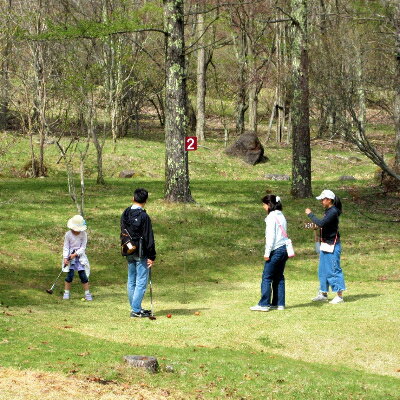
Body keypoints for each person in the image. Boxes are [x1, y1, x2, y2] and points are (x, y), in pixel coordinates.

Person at [305, 189, 346, 304]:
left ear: (329, 200)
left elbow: (322, 223)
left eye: (323, 199)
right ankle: (323, 293)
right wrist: (319, 236)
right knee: (322, 270)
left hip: (333, 245)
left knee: (333, 269)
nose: (321, 201)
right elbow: (325, 226)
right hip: (325, 243)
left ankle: (339, 296)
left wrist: (310, 214)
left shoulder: (333, 211)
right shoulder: (328, 211)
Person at [121, 188, 156, 318]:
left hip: (128, 249)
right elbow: (148, 237)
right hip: (141, 252)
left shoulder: (126, 213)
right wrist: (152, 256)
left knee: (131, 280)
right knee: (141, 281)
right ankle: (135, 310)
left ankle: (136, 307)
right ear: (145, 201)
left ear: (133, 198)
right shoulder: (144, 216)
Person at [250, 195, 289, 312]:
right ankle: (279, 303)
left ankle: (264, 304)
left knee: (267, 277)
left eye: (264, 204)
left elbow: (270, 238)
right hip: (284, 249)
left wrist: (267, 253)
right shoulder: (281, 215)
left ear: (269, 205)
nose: (263, 207)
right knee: (279, 277)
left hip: (275, 250)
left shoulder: (271, 217)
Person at [62, 215, 92, 301]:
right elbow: (66, 247)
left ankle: (87, 293)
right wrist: (65, 258)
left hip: (80, 258)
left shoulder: (84, 234)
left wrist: (75, 254)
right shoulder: (68, 234)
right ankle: (66, 293)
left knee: (83, 276)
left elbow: (83, 248)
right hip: (69, 258)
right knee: (69, 276)